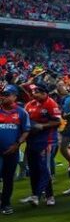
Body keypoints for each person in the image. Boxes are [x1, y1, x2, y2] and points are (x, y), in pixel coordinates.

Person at [22, 83, 61, 207]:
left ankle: (48, 196)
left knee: (44, 169)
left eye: (36, 92)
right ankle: (35, 195)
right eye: (33, 92)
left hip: (46, 141)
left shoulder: (51, 104)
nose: (34, 94)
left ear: (44, 93)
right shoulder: (29, 105)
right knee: (33, 169)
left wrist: (42, 126)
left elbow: (57, 122)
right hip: (32, 141)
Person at [0, 84, 30, 214]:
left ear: (14, 97)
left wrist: (16, 144)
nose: (3, 97)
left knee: (8, 178)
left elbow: (26, 131)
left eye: (7, 95)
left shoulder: (21, 112)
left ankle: (6, 204)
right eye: (3, 94)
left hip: (12, 152)